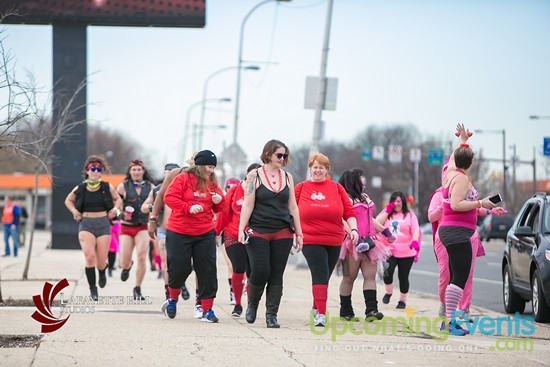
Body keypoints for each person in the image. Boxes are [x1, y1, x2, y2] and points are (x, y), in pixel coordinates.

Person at [438, 123, 497, 335]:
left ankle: (447, 321)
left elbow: (455, 157)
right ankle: (449, 322)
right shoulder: (461, 179)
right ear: (471, 161)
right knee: (459, 278)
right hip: (456, 232)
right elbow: (456, 205)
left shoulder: (451, 172)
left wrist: (463, 141)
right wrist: (481, 203)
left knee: (456, 276)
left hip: (453, 231)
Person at [238, 139, 303, 328]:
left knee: (276, 274)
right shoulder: (254, 176)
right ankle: (252, 304)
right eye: (279, 155)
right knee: (260, 270)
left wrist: (299, 234)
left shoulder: (288, 177)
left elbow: (293, 207)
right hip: (258, 229)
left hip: (282, 231)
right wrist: (241, 229)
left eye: (285, 155)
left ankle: (271, 315)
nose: (282, 159)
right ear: (268, 154)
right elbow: (248, 204)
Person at [295, 154, 359, 327]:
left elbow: (349, 212)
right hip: (310, 238)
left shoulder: (337, 188)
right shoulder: (301, 188)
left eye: (321, 167)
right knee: (320, 272)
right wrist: (294, 233)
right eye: (315, 167)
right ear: (310, 169)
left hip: (334, 240)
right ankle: (321, 315)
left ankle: (316, 307)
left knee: (325, 275)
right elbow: (290, 212)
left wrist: (353, 229)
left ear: (326, 170)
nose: (318, 170)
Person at [163, 150, 226, 323]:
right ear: (199, 166)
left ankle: (207, 309)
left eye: (213, 167)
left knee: (207, 271)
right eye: (209, 166)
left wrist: (219, 201)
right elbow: (169, 197)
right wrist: (187, 207)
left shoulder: (212, 182)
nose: (211, 170)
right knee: (179, 268)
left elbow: (221, 208)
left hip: (204, 232)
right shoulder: (183, 178)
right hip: (179, 231)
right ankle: (172, 299)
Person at [337, 168, 394, 322]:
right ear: (353, 180)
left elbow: (370, 218)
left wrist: (384, 230)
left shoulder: (365, 197)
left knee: (370, 276)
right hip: (353, 242)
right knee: (350, 277)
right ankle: (345, 310)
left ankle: (372, 310)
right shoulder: (346, 199)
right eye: (361, 178)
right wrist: (353, 235)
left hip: (370, 242)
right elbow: (343, 220)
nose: (363, 181)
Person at [64, 155, 122, 300]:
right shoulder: (81, 187)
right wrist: (74, 211)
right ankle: (93, 289)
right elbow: (68, 200)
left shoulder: (106, 186)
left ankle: (102, 272)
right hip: (86, 224)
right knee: (90, 257)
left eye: (99, 169)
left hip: (103, 224)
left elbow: (118, 199)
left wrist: (115, 209)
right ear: (87, 171)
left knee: (101, 262)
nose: (96, 172)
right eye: (93, 169)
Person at [215, 167, 260, 317]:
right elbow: (224, 214)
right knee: (238, 267)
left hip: (254, 236)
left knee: (253, 272)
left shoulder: (262, 193)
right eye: (251, 174)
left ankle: (251, 304)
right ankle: (238, 304)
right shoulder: (234, 191)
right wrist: (215, 233)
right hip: (233, 234)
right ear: (246, 174)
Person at [116, 159, 155, 300]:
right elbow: (115, 204)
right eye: (134, 170)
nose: (137, 172)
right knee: (123, 261)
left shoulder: (151, 187)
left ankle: (137, 288)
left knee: (142, 256)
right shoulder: (123, 187)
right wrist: (119, 213)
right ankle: (127, 267)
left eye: (139, 169)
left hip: (142, 227)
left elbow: (155, 206)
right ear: (130, 171)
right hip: (127, 227)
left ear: (143, 171)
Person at [376, 190, 420, 309]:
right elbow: (376, 223)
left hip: (407, 251)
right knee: (388, 272)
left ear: (403, 202)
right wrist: (387, 210)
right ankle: (389, 292)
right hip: (390, 251)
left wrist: (415, 241)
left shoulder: (410, 215)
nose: (396, 203)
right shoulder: (387, 214)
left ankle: (402, 301)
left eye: (399, 201)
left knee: (403, 276)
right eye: (394, 201)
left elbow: (415, 230)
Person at [220, 177, 240, 306]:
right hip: (226, 235)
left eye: (234, 187)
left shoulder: (241, 201)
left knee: (240, 269)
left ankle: (239, 287)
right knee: (230, 265)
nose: (231, 189)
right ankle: (233, 293)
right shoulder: (221, 200)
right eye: (228, 187)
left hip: (240, 235)